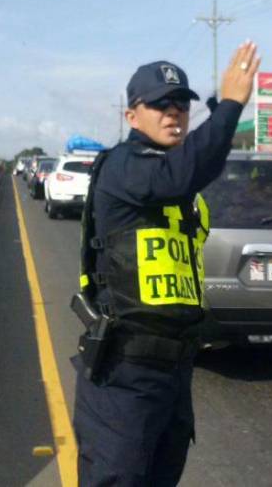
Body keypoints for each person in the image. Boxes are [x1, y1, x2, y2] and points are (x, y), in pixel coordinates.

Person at [72, 41, 260, 486]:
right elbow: (179, 175)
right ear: (132, 115)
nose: (173, 112)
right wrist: (230, 104)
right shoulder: (125, 166)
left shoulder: (178, 183)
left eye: (180, 103)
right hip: (125, 372)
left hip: (174, 372)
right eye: (160, 105)